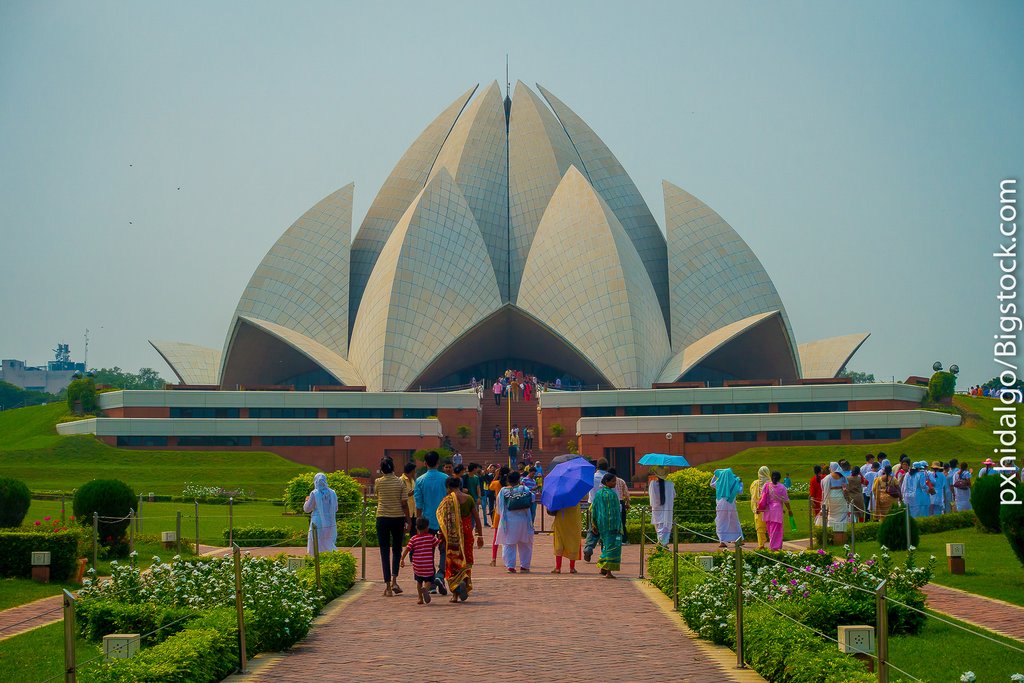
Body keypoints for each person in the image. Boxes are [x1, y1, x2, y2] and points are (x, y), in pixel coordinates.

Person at [436, 476, 484, 602]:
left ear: (448, 487)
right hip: (467, 533)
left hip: (452, 537)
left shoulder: (447, 501)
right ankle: (464, 582)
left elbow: (443, 522)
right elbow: (477, 518)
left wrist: (441, 535)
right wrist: (480, 535)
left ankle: (455, 592)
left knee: (453, 562)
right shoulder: (468, 498)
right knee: (466, 561)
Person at [414, 450, 449, 595]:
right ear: (438, 462)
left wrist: (418, 524)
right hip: (443, 521)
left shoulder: (420, 480)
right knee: (443, 551)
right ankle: (440, 575)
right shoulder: (445, 478)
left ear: (425, 463)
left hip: (427, 522)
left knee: (428, 552)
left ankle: (431, 581)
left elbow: (418, 504)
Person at [375, 458, 411, 597]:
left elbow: (378, 496)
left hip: (382, 517)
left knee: (384, 551)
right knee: (396, 550)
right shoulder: (400, 482)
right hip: (397, 518)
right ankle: (395, 580)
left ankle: (388, 586)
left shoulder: (378, 482)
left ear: (382, 469)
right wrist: (408, 520)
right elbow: (403, 503)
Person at [496, 471, 534, 573]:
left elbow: (499, 508)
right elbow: (532, 499)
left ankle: (510, 565)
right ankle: (525, 565)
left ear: (508, 480)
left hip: (508, 521)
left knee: (509, 544)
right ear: (519, 479)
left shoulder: (503, 491)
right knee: (525, 543)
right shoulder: (525, 489)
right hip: (524, 520)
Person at [400, 517, 441, 605]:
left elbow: (407, 549)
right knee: (429, 580)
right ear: (427, 528)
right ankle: (426, 589)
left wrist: (402, 559)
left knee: (419, 581)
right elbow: (438, 543)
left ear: (416, 528)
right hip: (428, 565)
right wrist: (441, 537)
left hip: (417, 565)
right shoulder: (430, 537)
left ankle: (420, 598)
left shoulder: (413, 539)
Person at [591, 472, 623, 578]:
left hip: (602, 525)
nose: (615, 483)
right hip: (612, 526)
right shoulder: (612, 494)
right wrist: (619, 525)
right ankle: (608, 572)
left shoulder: (599, 494)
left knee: (605, 546)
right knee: (611, 548)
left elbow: (594, 509)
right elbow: (616, 511)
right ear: (606, 482)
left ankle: (603, 568)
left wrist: (594, 524)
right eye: (613, 481)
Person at [584, 458, 611, 561]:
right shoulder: (610, 478)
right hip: (606, 506)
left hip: (593, 505)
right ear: (607, 467)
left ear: (597, 467)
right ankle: (604, 552)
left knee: (593, 527)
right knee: (606, 529)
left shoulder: (591, 477)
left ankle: (589, 548)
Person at [757, 471, 792, 551]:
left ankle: (773, 545)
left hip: (768, 510)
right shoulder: (782, 487)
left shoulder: (766, 485)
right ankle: (774, 547)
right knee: (776, 530)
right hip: (777, 510)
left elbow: (762, 498)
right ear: (779, 478)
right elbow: (786, 501)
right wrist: (789, 510)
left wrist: (759, 508)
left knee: (770, 529)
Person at [303, 473, 337, 554]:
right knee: (327, 540)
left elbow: (307, 509)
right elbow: (335, 508)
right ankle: (328, 556)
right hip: (329, 520)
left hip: (317, 520)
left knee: (315, 539)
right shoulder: (332, 493)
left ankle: (315, 558)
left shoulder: (314, 493)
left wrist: (306, 501)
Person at [711, 468, 743, 547]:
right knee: (734, 520)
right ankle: (739, 539)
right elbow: (740, 491)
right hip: (731, 503)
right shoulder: (735, 482)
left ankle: (722, 541)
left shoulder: (719, 482)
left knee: (721, 521)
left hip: (721, 503)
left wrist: (715, 476)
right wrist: (740, 483)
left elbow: (711, 484)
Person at [549, 499, 582, 574]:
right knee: (573, 543)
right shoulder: (575, 497)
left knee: (559, 543)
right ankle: (572, 568)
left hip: (561, 521)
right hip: (574, 523)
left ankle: (558, 568)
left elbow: (552, 509)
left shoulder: (559, 497)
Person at [648, 466, 676, 545]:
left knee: (658, 526)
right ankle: (664, 543)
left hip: (657, 509)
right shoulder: (670, 484)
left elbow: (651, 497)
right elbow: (674, 495)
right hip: (667, 510)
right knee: (666, 525)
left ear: (656, 474)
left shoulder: (652, 484)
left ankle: (660, 542)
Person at [488, 466, 510, 565]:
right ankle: (508, 559)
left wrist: (496, 476)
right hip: (510, 512)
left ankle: (493, 559)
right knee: (509, 537)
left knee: (496, 538)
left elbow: (490, 486)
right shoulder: (511, 485)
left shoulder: (497, 484)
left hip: (498, 512)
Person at [824, 462, 848, 533]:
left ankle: (831, 530)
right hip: (840, 495)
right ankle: (841, 530)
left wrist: (824, 503)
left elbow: (825, 490)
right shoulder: (842, 476)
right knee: (842, 513)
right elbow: (845, 487)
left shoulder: (828, 477)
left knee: (832, 513)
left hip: (832, 495)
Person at [609, 467, 631, 545]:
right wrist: (628, 503)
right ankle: (624, 540)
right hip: (621, 502)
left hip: (611, 502)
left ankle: (613, 539)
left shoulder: (607, 481)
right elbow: (627, 494)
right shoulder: (621, 481)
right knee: (622, 521)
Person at [750, 466, 770, 550]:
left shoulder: (755, 483)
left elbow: (751, 492)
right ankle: (774, 544)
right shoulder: (771, 483)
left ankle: (761, 544)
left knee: (760, 527)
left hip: (759, 508)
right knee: (770, 527)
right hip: (769, 508)